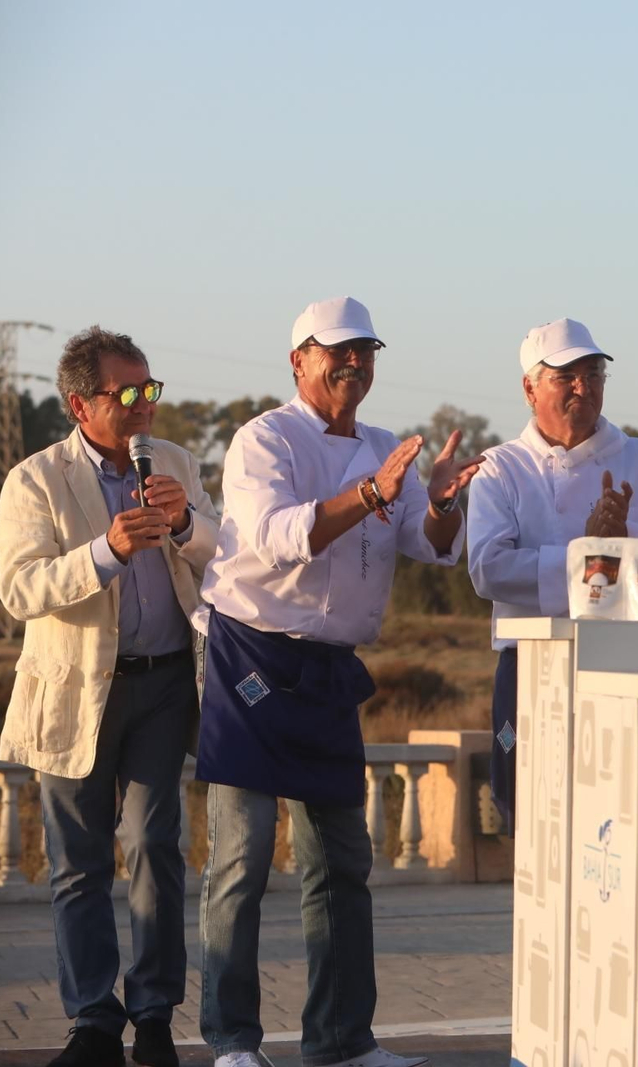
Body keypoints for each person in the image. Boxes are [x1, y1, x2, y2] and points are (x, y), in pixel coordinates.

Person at [194, 297, 481, 1067]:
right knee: (243, 856)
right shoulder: (265, 438)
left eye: (366, 351)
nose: (354, 362)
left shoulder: (388, 448)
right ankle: (231, 1041)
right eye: (338, 350)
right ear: (299, 361)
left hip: (327, 667)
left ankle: (342, 1040)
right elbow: (277, 538)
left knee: (343, 861)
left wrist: (442, 502)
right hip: (250, 657)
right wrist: (372, 494)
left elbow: (431, 543)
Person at [0, 327, 217, 1067]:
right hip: (76, 691)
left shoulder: (174, 461)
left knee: (155, 846)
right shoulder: (34, 479)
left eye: (152, 388)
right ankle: (93, 1020)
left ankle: (153, 1016)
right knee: (79, 863)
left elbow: (224, 554)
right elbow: (20, 588)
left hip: (164, 685)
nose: (145, 404)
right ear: (80, 404)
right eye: (128, 392)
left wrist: (185, 524)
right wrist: (106, 551)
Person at [468, 317, 638, 827]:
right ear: (530, 389)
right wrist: (587, 556)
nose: (583, 388)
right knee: (528, 812)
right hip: (529, 664)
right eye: (565, 377)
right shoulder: (500, 467)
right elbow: (488, 570)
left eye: (593, 375)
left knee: (620, 812)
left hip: (624, 660)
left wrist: (623, 537)